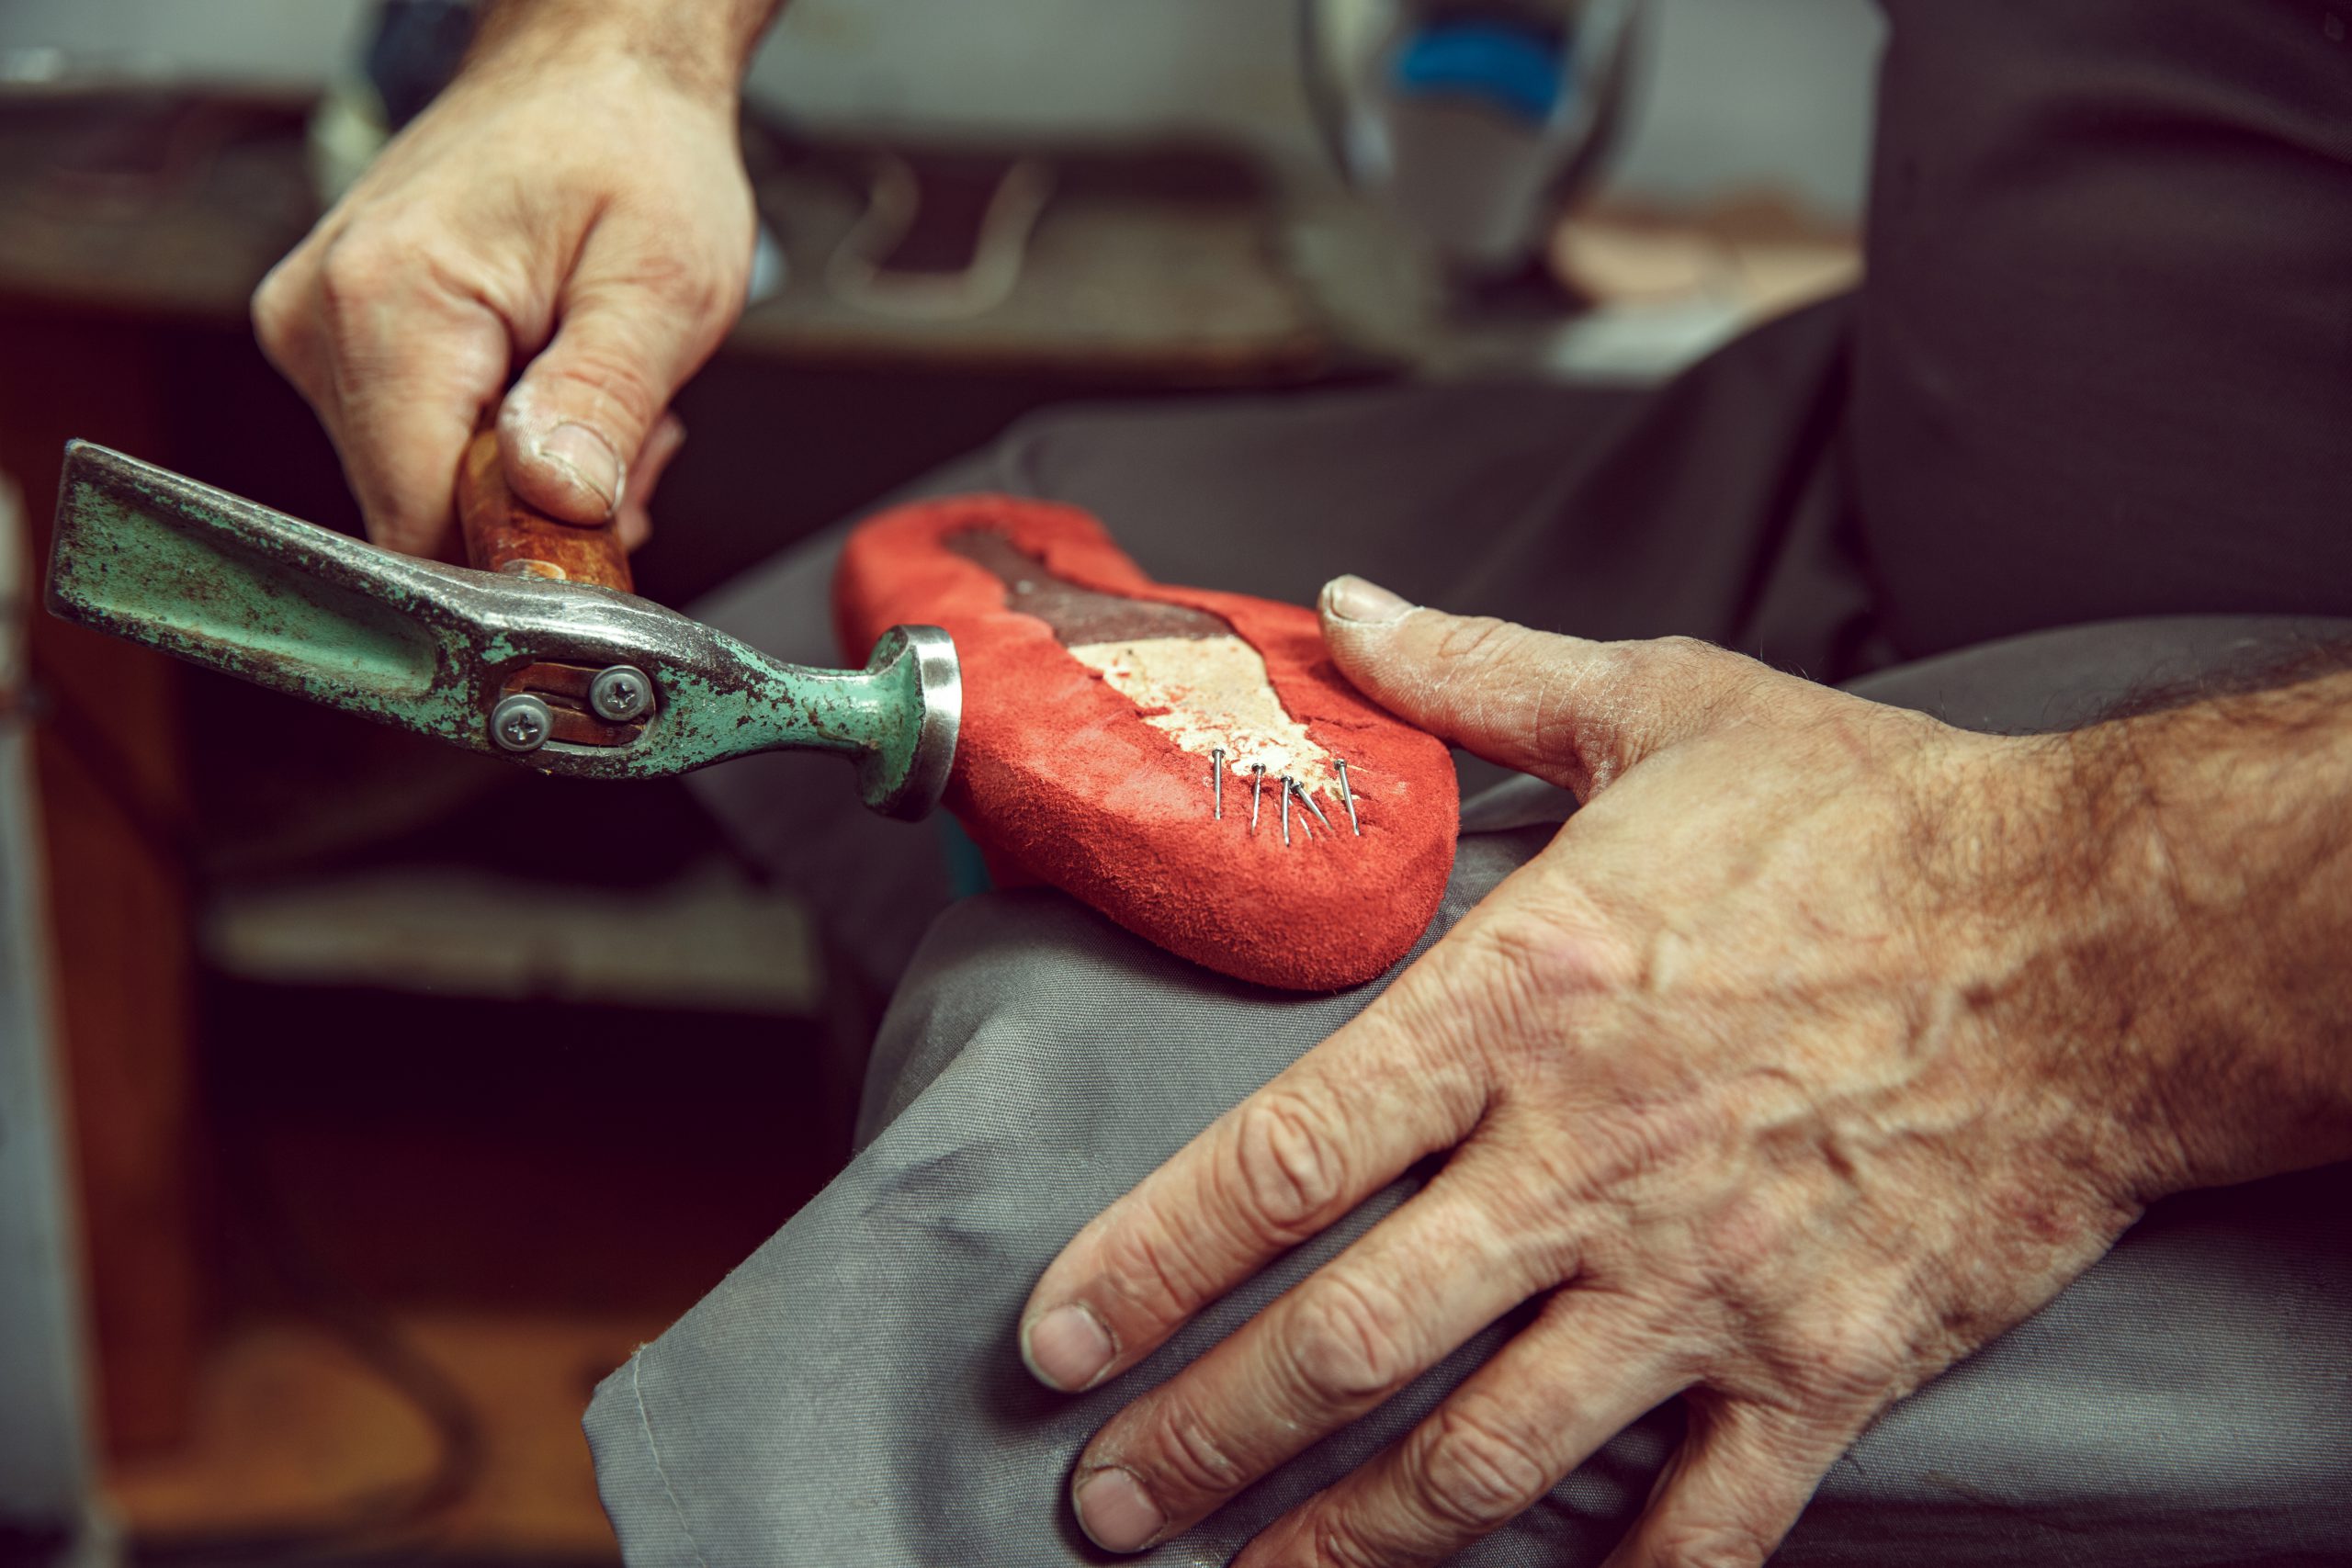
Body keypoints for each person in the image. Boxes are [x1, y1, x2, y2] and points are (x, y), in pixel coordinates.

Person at [252, 1, 2352, 1562]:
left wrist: (2052, 952)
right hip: (1880, 460)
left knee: (1078, 1209)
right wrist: (615, 54)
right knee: (1019, 530)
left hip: (2249, 822)